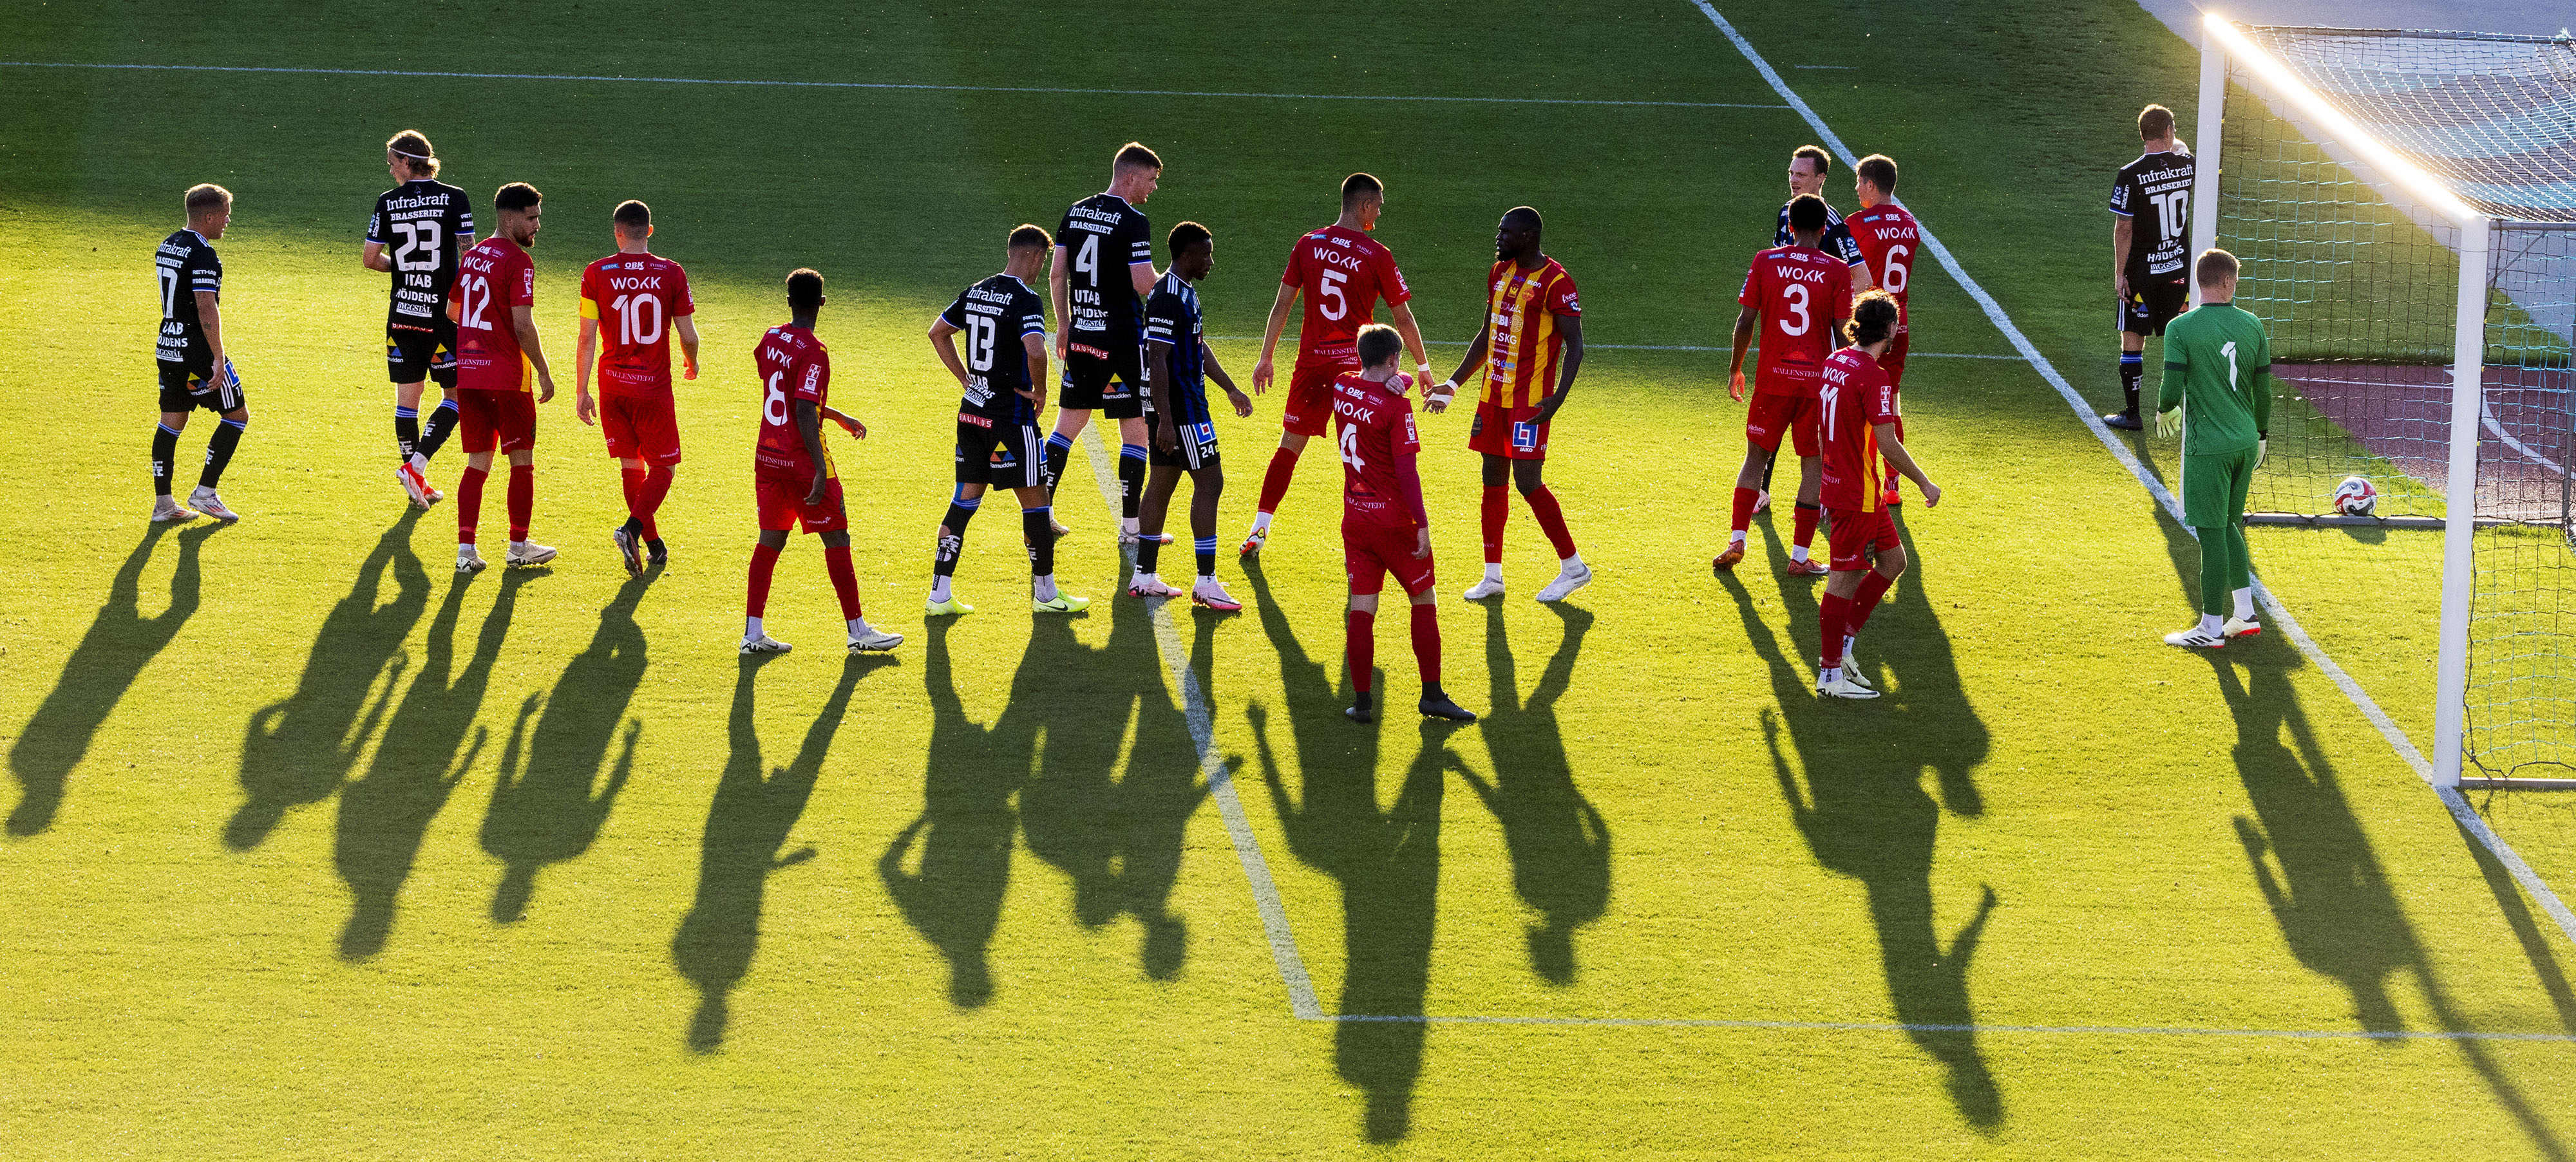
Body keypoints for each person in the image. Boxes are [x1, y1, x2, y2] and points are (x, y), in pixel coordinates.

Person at [1240, 173, 1436, 556]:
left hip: (1312, 365)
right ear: (1364, 206)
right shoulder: (1377, 254)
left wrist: (1266, 357)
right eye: (1378, 206)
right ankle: (1376, 531)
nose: (1379, 214)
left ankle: (1259, 529)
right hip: (1356, 369)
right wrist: (1424, 366)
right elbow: (1403, 318)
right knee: (1370, 452)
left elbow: (1283, 304)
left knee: (1289, 447)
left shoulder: (1308, 243)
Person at [927, 226, 1089, 617]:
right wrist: (1041, 391)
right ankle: (1047, 594)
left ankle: (939, 595)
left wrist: (967, 379)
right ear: (1035, 256)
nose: (1041, 269)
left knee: (963, 501)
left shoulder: (976, 290)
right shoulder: (1026, 299)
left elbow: (937, 333)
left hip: (971, 414)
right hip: (1011, 419)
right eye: (1043, 261)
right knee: (1036, 502)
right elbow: (1036, 350)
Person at [1434, 206, 1590, 603]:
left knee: (1528, 481)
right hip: (1493, 398)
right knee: (1492, 476)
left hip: (1530, 403)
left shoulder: (1557, 281)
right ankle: (1492, 576)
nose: (1499, 238)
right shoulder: (1498, 273)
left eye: (1506, 233)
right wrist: (1453, 383)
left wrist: (1557, 398)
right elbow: (1486, 335)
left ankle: (1573, 568)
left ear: (1529, 237)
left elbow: (1576, 345)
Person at [741, 268, 902, 655]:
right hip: (801, 460)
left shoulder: (771, 338)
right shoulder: (815, 351)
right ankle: (858, 630)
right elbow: (800, 408)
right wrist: (816, 467)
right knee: (837, 538)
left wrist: (836, 415)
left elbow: (782, 393)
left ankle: (753, 633)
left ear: (789, 301)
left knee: (770, 540)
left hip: (768, 455)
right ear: (822, 303)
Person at [1335, 324, 1475, 724]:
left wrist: (1403, 379)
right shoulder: (1397, 408)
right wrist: (1422, 523)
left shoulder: (1341, 388)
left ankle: (1362, 705)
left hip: (1355, 519)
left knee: (1362, 609)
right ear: (1394, 360)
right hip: (1394, 521)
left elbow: (1367, 382)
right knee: (1423, 601)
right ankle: (1432, 695)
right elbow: (1407, 472)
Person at [1812, 292, 1942, 699]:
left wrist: (1821, 488)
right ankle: (1830, 674)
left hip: (1846, 486)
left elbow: (1821, 430)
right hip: (1858, 494)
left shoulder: (1835, 362)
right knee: (1841, 582)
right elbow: (1888, 444)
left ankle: (1845, 647)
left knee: (1893, 560)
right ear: (1889, 329)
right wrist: (1924, 481)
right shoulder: (1874, 376)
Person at [1717, 194, 1852, 576]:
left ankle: (1737, 539)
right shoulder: (1837, 271)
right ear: (1825, 229)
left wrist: (1735, 369)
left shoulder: (1765, 261)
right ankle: (1798, 557)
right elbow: (1844, 334)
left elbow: (1746, 321)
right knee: (1812, 465)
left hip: (1773, 381)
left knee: (1755, 459)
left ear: (1789, 227)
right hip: (1816, 385)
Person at [2154, 248, 2272, 648]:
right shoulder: (2253, 325)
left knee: (2210, 532)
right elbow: (2264, 390)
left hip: (2209, 447)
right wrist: (2261, 435)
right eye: (2235, 280)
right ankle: (2245, 614)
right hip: (2244, 443)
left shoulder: (2181, 328)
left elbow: (2171, 391)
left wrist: (2162, 410)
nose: (2236, 286)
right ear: (2223, 281)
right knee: (2230, 525)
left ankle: (2209, 627)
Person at [574, 200, 699, 576]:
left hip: (612, 385)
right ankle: (631, 530)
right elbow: (688, 334)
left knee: (632, 466)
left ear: (617, 232)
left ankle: (654, 546)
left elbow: (586, 338)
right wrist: (692, 362)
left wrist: (581, 391)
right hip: (652, 388)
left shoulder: (595, 273)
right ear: (649, 230)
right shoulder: (671, 273)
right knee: (664, 467)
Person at [1132, 221, 1254, 609]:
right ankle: (1205, 581)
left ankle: (1144, 575)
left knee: (1163, 482)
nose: (1211, 261)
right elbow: (1157, 359)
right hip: (1182, 410)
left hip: (1178, 407)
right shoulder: (1169, 296)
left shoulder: (1184, 293)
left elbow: (1198, 350)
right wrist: (1167, 420)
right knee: (1210, 483)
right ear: (1186, 255)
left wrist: (1230, 388)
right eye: (1206, 254)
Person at [1046, 142, 1162, 541]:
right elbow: (1144, 283)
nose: (1152, 189)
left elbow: (1057, 275)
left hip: (1081, 336)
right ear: (1131, 177)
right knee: (1136, 432)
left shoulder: (1075, 212)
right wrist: (1178, 289)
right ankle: (1132, 527)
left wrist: (1063, 325)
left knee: (1065, 428)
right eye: (1150, 180)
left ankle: (1039, 514)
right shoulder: (1134, 221)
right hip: (1122, 342)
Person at [444, 182, 556, 572]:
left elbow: (453, 311)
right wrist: (543, 371)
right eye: (531, 217)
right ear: (509, 217)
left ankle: (465, 552)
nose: (537, 225)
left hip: (470, 376)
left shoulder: (473, 255)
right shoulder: (518, 261)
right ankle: (519, 544)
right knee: (521, 461)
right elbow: (523, 325)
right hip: (508, 377)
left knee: (477, 464)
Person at [1754, 145, 1875, 507]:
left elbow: (1863, 278)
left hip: (1822, 339)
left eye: (1801, 175)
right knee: (1776, 413)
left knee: (1821, 425)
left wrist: (1837, 317)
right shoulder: (1785, 214)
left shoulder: (1833, 224)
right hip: (1789, 336)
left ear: (1821, 178)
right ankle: (1763, 488)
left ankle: (1828, 493)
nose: (1793, 180)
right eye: (1791, 173)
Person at [361, 129, 473, 509]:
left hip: (403, 312)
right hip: (445, 314)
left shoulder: (387, 202)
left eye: (393, 164)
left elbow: (370, 259)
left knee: (408, 401)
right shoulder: (455, 198)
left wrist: (404, 271)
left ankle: (413, 476)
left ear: (408, 162)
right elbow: (469, 256)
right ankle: (417, 470)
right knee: (455, 396)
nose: (391, 171)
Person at [150, 183, 250, 523]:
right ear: (209, 216)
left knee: (171, 423)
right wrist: (218, 357)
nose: (228, 221)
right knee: (237, 417)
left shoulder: (169, 244)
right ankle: (205, 492)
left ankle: (163, 505)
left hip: (167, 345)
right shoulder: (204, 253)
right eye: (225, 214)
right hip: (195, 351)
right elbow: (206, 307)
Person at [2103, 104, 2195, 431]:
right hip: (2179, 271)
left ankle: (2133, 414)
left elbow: (2123, 228)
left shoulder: (2130, 174)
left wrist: (2119, 273)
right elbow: (2181, 149)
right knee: (2187, 339)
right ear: (2169, 132)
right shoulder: (2187, 166)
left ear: (2142, 134)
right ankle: (2192, 411)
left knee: (2133, 339)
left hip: (2142, 272)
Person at [1846, 153, 1922, 507]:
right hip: (1900, 321)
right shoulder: (1911, 224)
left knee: (1859, 404)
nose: (1857, 189)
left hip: (1869, 319)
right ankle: (1893, 484)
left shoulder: (1857, 223)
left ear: (1872, 185)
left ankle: (1866, 480)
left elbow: (1852, 274)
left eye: (1860, 182)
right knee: (1890, 402)